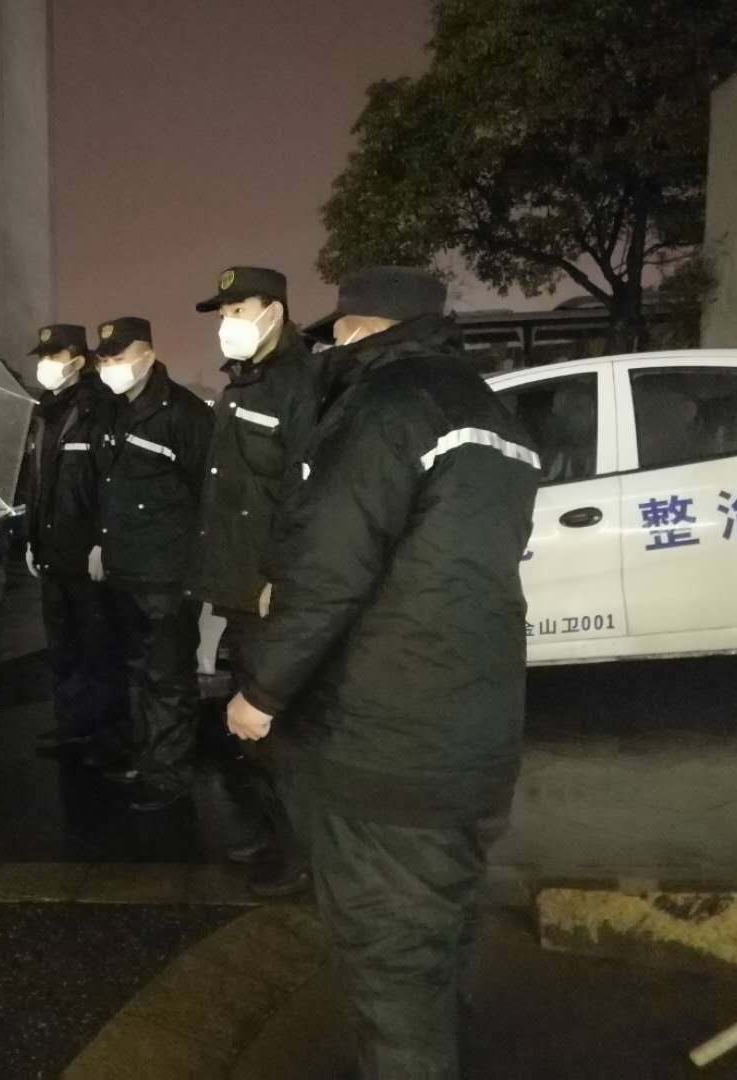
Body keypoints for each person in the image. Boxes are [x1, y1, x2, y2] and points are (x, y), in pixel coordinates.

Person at [226, 267, 540, 1078]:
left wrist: (261, 691)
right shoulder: (489, 410)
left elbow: (330, 567)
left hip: (386, 743)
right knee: (441, 939)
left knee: (392, 963)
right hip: (475, 732)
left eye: (336, 332)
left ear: (359, 329)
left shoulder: (384, 407)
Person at [189, 266, 319, 898]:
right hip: (240, 586)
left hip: (273, 590)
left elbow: (307, 493)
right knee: (255, 731)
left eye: (238, 310)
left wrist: (277, 573)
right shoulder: (240, 385)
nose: (227, 324)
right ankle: (276, 834)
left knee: (283, 726)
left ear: (275, 311)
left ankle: (302, 855)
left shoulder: (302, 383)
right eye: (222, 313)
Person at [91, 317, 213, 812]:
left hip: (168, 572)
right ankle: (147, 758)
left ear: (147, 353)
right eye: (104, 359)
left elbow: (208, 492)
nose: (110, 367)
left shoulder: (184, 413)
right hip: (126, 568)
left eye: (119, 357)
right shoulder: (115, 410)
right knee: (138, 670)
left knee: (168, 675)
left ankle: (170, 773)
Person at [23, 324, 125, 761]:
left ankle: (105, 734)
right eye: (42, 356)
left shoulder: (97, 408)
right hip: (52, 550)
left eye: (54, 355)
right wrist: (32, 540)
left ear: (78, 360)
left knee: (97, 646)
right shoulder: (45, 413)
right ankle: (72, 724)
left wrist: (103, 540)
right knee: (63, 646)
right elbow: (38, 483)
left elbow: (110, 480)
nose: (45, 365)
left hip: (85, 553)